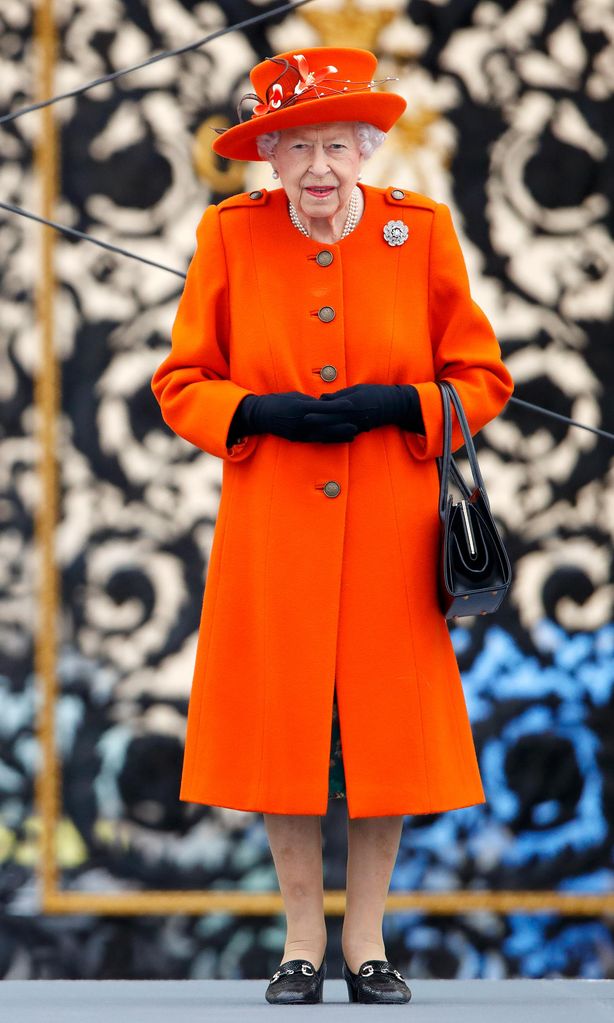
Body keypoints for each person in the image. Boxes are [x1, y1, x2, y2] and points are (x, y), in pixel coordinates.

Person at [150, 46, 514, 1005]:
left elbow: (483, 380)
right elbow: (181, 382)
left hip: (393, 532)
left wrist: (405, 404)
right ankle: (301, 942)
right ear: (268, 155)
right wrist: (259, 415)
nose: (318, 168)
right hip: (273, 531)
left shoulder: (421, 234)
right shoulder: (230, 235)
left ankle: (370, 941)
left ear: (367, 149)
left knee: (383, 743)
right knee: (289, 742)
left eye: (336, 147)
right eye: (297, 147)